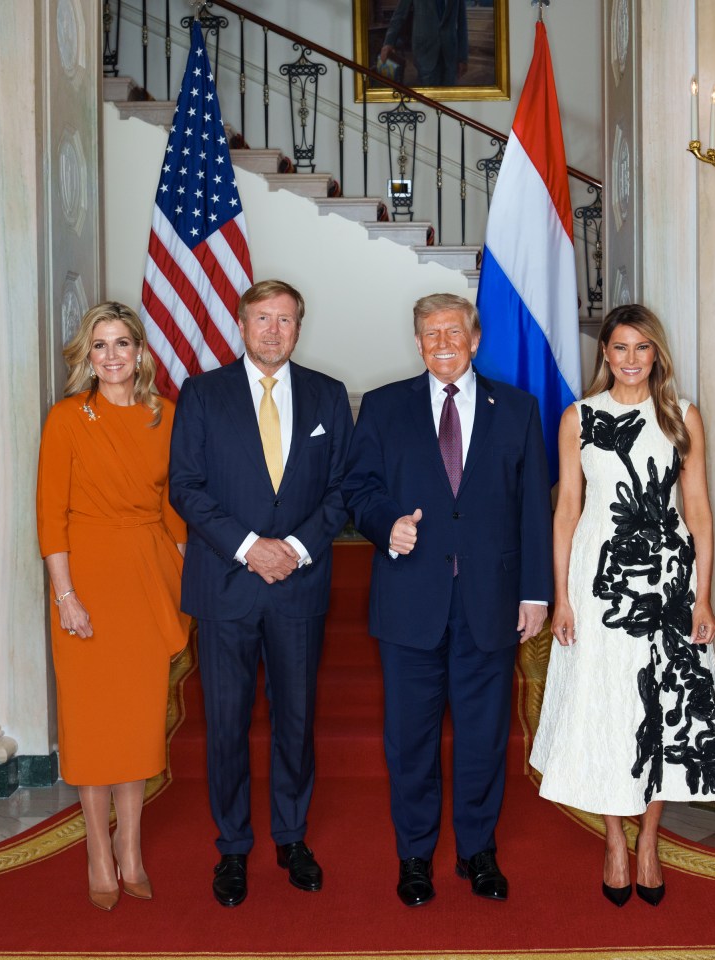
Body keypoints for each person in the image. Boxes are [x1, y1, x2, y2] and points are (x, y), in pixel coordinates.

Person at [343, 292, 552, 907]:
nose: (442, 343)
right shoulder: (384, 408)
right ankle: (414, 857)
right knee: (410, 739)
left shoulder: (516, 409)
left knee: (484, 736)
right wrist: (386, 525)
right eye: (430, 333)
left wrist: (535, 592)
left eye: (453, 332)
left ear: (475, 339)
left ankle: (476, 852)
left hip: (489, 602)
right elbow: (359, 489)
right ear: (417, 342)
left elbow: (533, 510)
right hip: (411, 601)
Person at [530, 304, 715, 908]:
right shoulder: (580, 418)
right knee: (609, 705)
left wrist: (702, 595)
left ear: (657, 354)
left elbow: (698, 510)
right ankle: (614, 839)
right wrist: (561, 596)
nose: (630, 361)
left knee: (663, 710)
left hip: (669, 582)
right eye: (619, 348)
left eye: (642, 349)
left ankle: (649, 838)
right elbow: (567, 509)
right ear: (605, 355)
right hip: (601, 580)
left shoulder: (681, 416)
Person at [168, 279, 353, 908]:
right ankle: (233, 846)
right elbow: (186, 488)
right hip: (227, 585)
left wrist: (294, 550)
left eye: (285, 320)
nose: (273, 331)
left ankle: (292, 836)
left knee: (295, 721)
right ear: (241, 324)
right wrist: (251, 546)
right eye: (262, 319)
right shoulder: (202, 393)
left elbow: (342, 491)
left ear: (299, 328)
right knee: (225, 724)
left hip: (299, 587)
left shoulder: (328, 395)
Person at [36, 301, 190, 912]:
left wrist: (184, 583)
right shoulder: (67, 419)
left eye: (122, 343)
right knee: (94, 724)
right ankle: (98, 854)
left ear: (140, 352)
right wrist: (65, 595)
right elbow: (51, 516)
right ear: (86, 355)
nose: (111, 356)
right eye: (99, 345)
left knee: (138, 723)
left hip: (147, 577)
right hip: (88, 584)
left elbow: (176, 508)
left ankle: (131, 849)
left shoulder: (167, 418)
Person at [379, 0, 469, 87]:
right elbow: (400, 13)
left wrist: (463, 57)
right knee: (429, 97)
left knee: (448, 97)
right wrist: (389, 42)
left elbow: (462, 21)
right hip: (425, 51)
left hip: (450, 53)